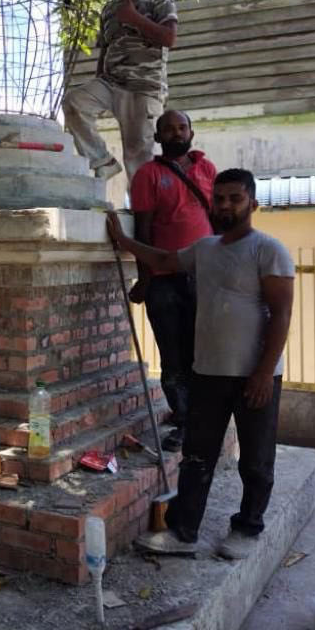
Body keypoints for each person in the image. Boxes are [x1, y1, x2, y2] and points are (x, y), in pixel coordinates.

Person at [106, 169, 295, 560]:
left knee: (256, 459)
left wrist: (263, 372)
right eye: (220, 198)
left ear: (252, 204)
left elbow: (281, 315)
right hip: (208, 373)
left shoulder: (268, 249)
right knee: (196, 456)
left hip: (255, 376)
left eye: (235, 198)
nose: (225, 205)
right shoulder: (204, 248)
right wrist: (124, 241)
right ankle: (182, 531)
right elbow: (162, 259)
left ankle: (247, 528)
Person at [129, 109, 216, 451]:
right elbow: (143, 230)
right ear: (158, 137)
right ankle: (183, 421)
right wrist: (145, 277)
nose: (177, 133)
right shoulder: (147, 174)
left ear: (191, 133)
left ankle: (204, 418)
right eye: (169, 129)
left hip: (205, 277)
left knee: (204, 353)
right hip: (164, 280)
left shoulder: (207, 169)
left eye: (182, 128)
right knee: (173, 354)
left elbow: (219, 218)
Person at [62, 0, 178, 183]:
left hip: (143, 87)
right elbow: (105, 49)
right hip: (110, 83)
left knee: (137, 158)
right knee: (74, 102)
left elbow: (169, 38)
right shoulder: (109, 8)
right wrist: (98, 80)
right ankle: (102, 161)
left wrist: (134, 18)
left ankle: (141, 215)